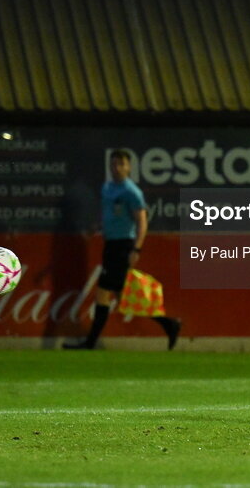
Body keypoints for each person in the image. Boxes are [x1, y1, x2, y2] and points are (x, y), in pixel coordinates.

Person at [63, 149, 181, 350]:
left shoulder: (132, 192)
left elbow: (142, 221)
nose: (117, 168)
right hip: (110, 244)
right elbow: (107, 214)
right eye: (114, 164)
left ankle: (90, 343)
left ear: (129, 167)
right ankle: (169, 324)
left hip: (123, 245)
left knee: (103, 293)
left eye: (121, 164)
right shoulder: (108, 188)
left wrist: (137, 249)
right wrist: (96, 227)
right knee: (123, 296)